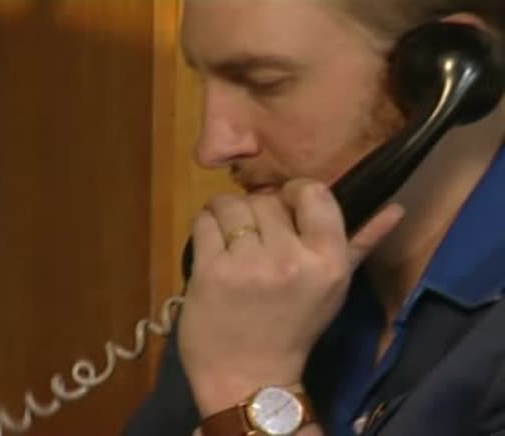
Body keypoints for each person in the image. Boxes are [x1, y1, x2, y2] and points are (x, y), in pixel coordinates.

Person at [124, 1, 505, 435]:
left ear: (450, 67)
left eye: (265, 83)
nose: (212, 148)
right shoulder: (260, 286)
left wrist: (248, 387)